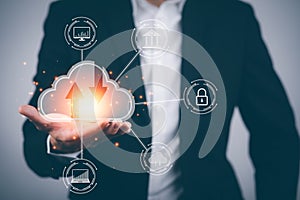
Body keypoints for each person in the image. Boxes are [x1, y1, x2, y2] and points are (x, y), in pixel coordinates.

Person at [19, 0, 299, 199]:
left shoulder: (233, 18)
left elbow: (275, 134)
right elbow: (36, 141)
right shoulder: (73, 10)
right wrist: (58, 145)